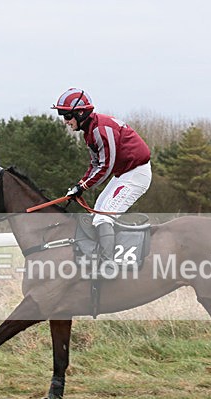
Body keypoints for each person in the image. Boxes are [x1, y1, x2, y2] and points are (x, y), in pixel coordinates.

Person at [52, 88, 152, 273]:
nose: (65, 121)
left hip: (136, 174)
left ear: (80, 113)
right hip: (124, 173)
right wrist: (78, 185)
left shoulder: (100, 130)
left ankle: (108, 265)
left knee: (103, 216)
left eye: (67, 116)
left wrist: (82, 187)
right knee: (97, 210)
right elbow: (95, 164)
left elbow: (106, 166)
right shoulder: (89, 131)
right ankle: (98, 255)